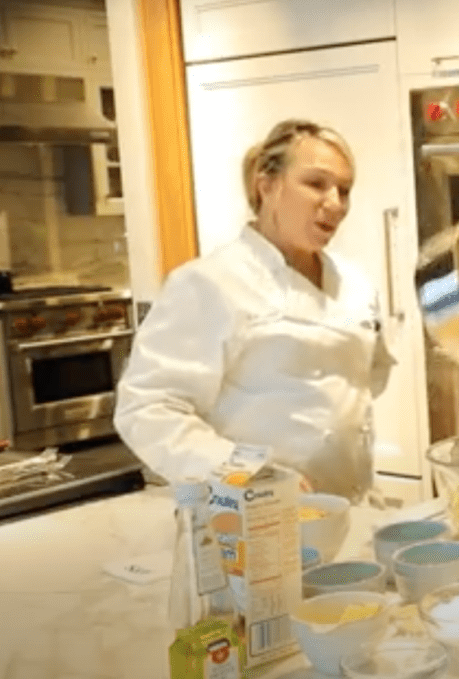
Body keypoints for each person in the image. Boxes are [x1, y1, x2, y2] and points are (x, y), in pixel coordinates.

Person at [115, 119, 394, 500]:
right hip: (250, 513)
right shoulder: (210, 283)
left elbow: (363, 381)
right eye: (316, 184)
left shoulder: (355, 282)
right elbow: (148, 408)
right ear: (267, 185)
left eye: (344, 190)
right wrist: (249, 473)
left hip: (349, 503)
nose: (336, 204)